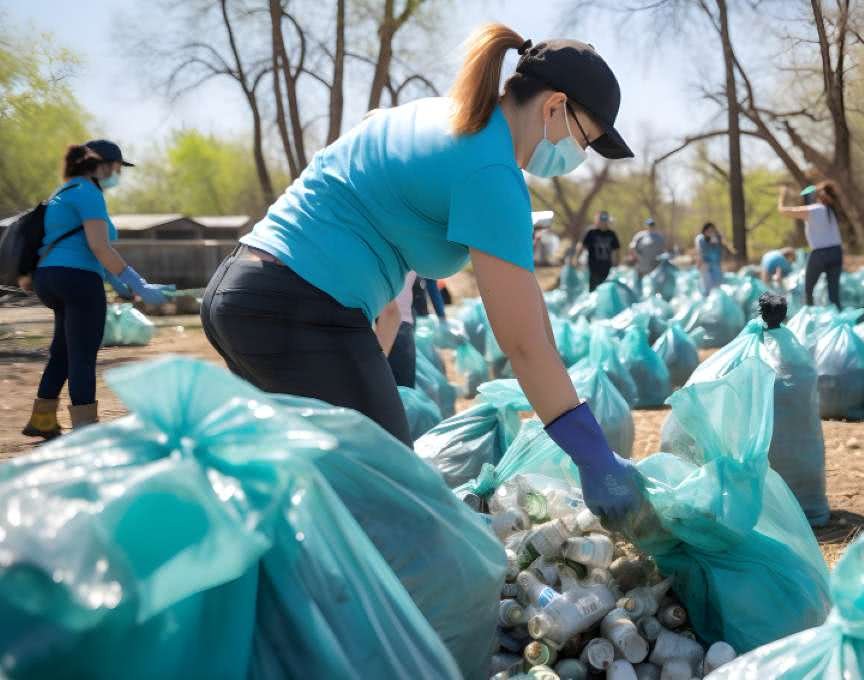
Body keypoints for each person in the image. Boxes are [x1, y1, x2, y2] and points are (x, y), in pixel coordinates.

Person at [201, 24, 639, 519]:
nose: (578, 157)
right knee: (393, 508)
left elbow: (530, 315)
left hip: (242, 291)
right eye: (586, 139)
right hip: (297, 308)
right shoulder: (490, 170)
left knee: (304, 496)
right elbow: (522, 345)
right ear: (555, 106)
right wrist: (592, 455)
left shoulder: (440, 117)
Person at [20, 141, 168, 439]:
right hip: (78, 281)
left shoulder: (63, 192)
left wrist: (123, 287)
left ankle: (43, 419)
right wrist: (137, 282)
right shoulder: (89, 193)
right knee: (83, 356)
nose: (118, 174)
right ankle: (86, 434)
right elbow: (99, 246)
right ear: (102, 166)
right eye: (116, 168)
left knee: (62, 352)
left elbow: (90, 254)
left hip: (50, 278)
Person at [778, 181, 844, 308]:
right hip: (837, 252)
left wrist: (782, 196)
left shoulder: (812, 210)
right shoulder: (831, 210)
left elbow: (783, 211)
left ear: (815, 197)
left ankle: (809, 317)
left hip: (820, 255)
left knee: (808, 290)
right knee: (834, 296)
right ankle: (839, 323)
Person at [579, 210, 620, 290]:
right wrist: (576, 259)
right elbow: (582, 246)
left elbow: (616, 250)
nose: (603, 221)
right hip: (593, 268)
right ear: (596, 220)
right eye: (601, 218)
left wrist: (616, 262)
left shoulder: (612, 234)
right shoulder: (591, 232)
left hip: (607, 267)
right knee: (593, 289)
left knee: (605, 288)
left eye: (605, 219)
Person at [693, 222, 728, 294]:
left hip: (716, 266)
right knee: (708, 288)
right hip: (706, 266)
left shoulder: (718, 239)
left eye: (712, 231)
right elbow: (700, 253)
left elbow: (721, 254)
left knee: (717, 287)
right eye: (708, 231)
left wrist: (717, 243)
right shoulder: (701, 240)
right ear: (704, 231)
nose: (710, 233)